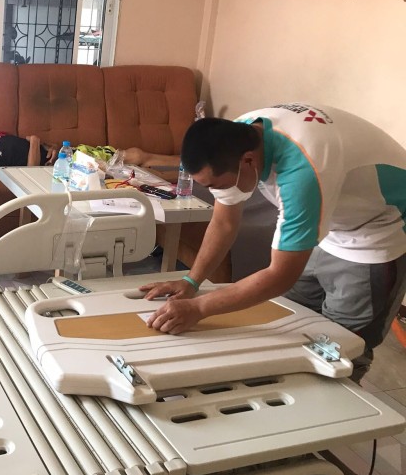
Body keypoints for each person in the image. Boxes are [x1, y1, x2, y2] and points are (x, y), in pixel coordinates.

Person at [141, 103, 406, 382]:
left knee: (342, 350)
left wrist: (199, 308)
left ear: (248, 161)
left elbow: (280, 276)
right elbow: (224, 222)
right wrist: (191, 281)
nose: (214, 192)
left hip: (376, 233)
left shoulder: (303, 170)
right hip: (330, 220)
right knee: (289, 322)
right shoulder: (238, 136)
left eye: (215, 186)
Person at [0, 120, 179, 176]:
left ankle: (183, 164)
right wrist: (34, 141)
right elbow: (26, 174)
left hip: (63, 155)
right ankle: (184, 167)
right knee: (135, 162)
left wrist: (48, 146)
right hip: (61, 171)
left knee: (135, 156)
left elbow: (25, 145)